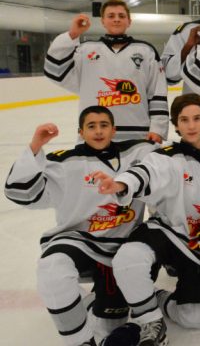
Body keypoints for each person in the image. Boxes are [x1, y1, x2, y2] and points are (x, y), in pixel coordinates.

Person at [93, 94, 200, 346]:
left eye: (196, 119)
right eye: (184, 120)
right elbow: (144, 173)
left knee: (196, 319)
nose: (191, 125)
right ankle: (150, 319)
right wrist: (120, 183)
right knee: (128, 258)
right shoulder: (165, 156)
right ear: (176, 124)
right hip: (167, 233)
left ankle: (157, 296)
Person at [4, 106, 156, 345]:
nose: (98, 131)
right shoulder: (64, 162)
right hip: (79, 241)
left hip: (121, 249)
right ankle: (81, 341)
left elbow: (176, 158)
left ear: (114, 129)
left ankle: (106, 301)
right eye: (91, 126)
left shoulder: (137, 153)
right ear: (80, 132)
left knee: (110, 324)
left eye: (104, 125)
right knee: (51, 269)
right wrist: (35, 147)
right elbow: (19, 192)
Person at [44, 0, 168, 142]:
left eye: (121, 16)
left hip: (138, 135)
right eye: (111, 16)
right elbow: (55, 71)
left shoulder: (146, 51)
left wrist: (157, 128)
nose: (116, 19)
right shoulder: (85, 50)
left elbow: (157, 92)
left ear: (129, 21)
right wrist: (73, 34)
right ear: (102, 21)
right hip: (94, 136)